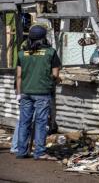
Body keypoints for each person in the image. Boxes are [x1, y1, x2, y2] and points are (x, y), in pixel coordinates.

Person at [16, 24, 61, 160]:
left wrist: (18, 93)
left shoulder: (22, 53)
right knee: (41, 122)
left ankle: (22, 152)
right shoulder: (50, 52)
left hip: (25, 92)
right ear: (44, 38)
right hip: (42, 92)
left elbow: (18, 75)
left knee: (24, 121)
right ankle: (39, 152)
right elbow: (55, 74)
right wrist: (58, 80)